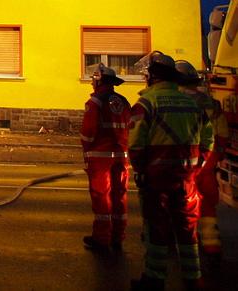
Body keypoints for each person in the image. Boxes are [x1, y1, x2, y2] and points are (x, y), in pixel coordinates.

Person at [129, 51, 213, 291]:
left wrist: (141, 171)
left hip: (156, 180)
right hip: (186, 178)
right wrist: (197, 166)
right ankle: (193, 278)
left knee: (157, 230)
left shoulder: (146, 104)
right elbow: (208, 138)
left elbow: (135, 145)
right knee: (187, 231)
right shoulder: (192, 104)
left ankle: (154, 279)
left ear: (151, 77)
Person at [175, 60, 230, 262]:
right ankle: (212, 245)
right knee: (207, 201)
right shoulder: (209, 103)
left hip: (185, 157)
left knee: (182, 200)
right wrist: (217, 155)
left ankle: (186, 244)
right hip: (208, 157)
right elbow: (222, 132)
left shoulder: (175, 101)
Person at [80, 63, 131, 253]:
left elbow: (88, 133)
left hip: (100, 158)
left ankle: (102, 239)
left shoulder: (95, 102)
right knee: (119, 197)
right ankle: (118, 237)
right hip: (121, 156)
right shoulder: (124, 101)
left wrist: (87, 151)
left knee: (102, 198)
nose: (92, 83)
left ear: (99, 80)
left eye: (94, 79)